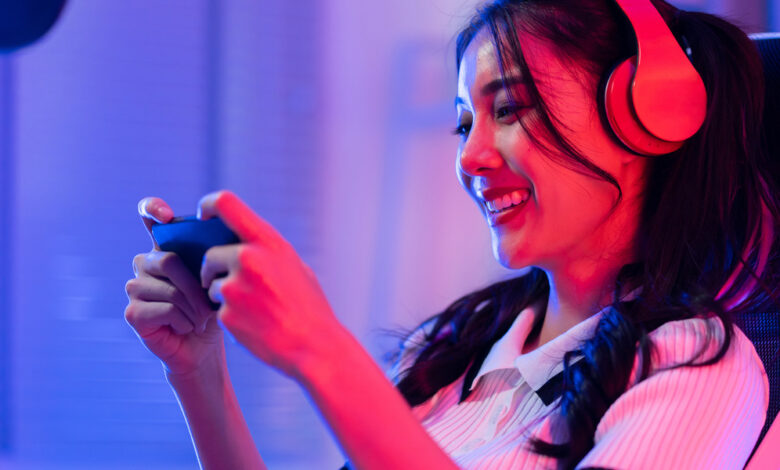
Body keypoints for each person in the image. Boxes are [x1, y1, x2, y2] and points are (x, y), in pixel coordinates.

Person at [124, 0, 779, 468]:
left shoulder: (698, 367)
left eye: (509, 108)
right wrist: (200, 372)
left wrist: (320, 349)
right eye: (465, 123)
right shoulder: (452, 350)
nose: (469, 158)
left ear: (643, 117)